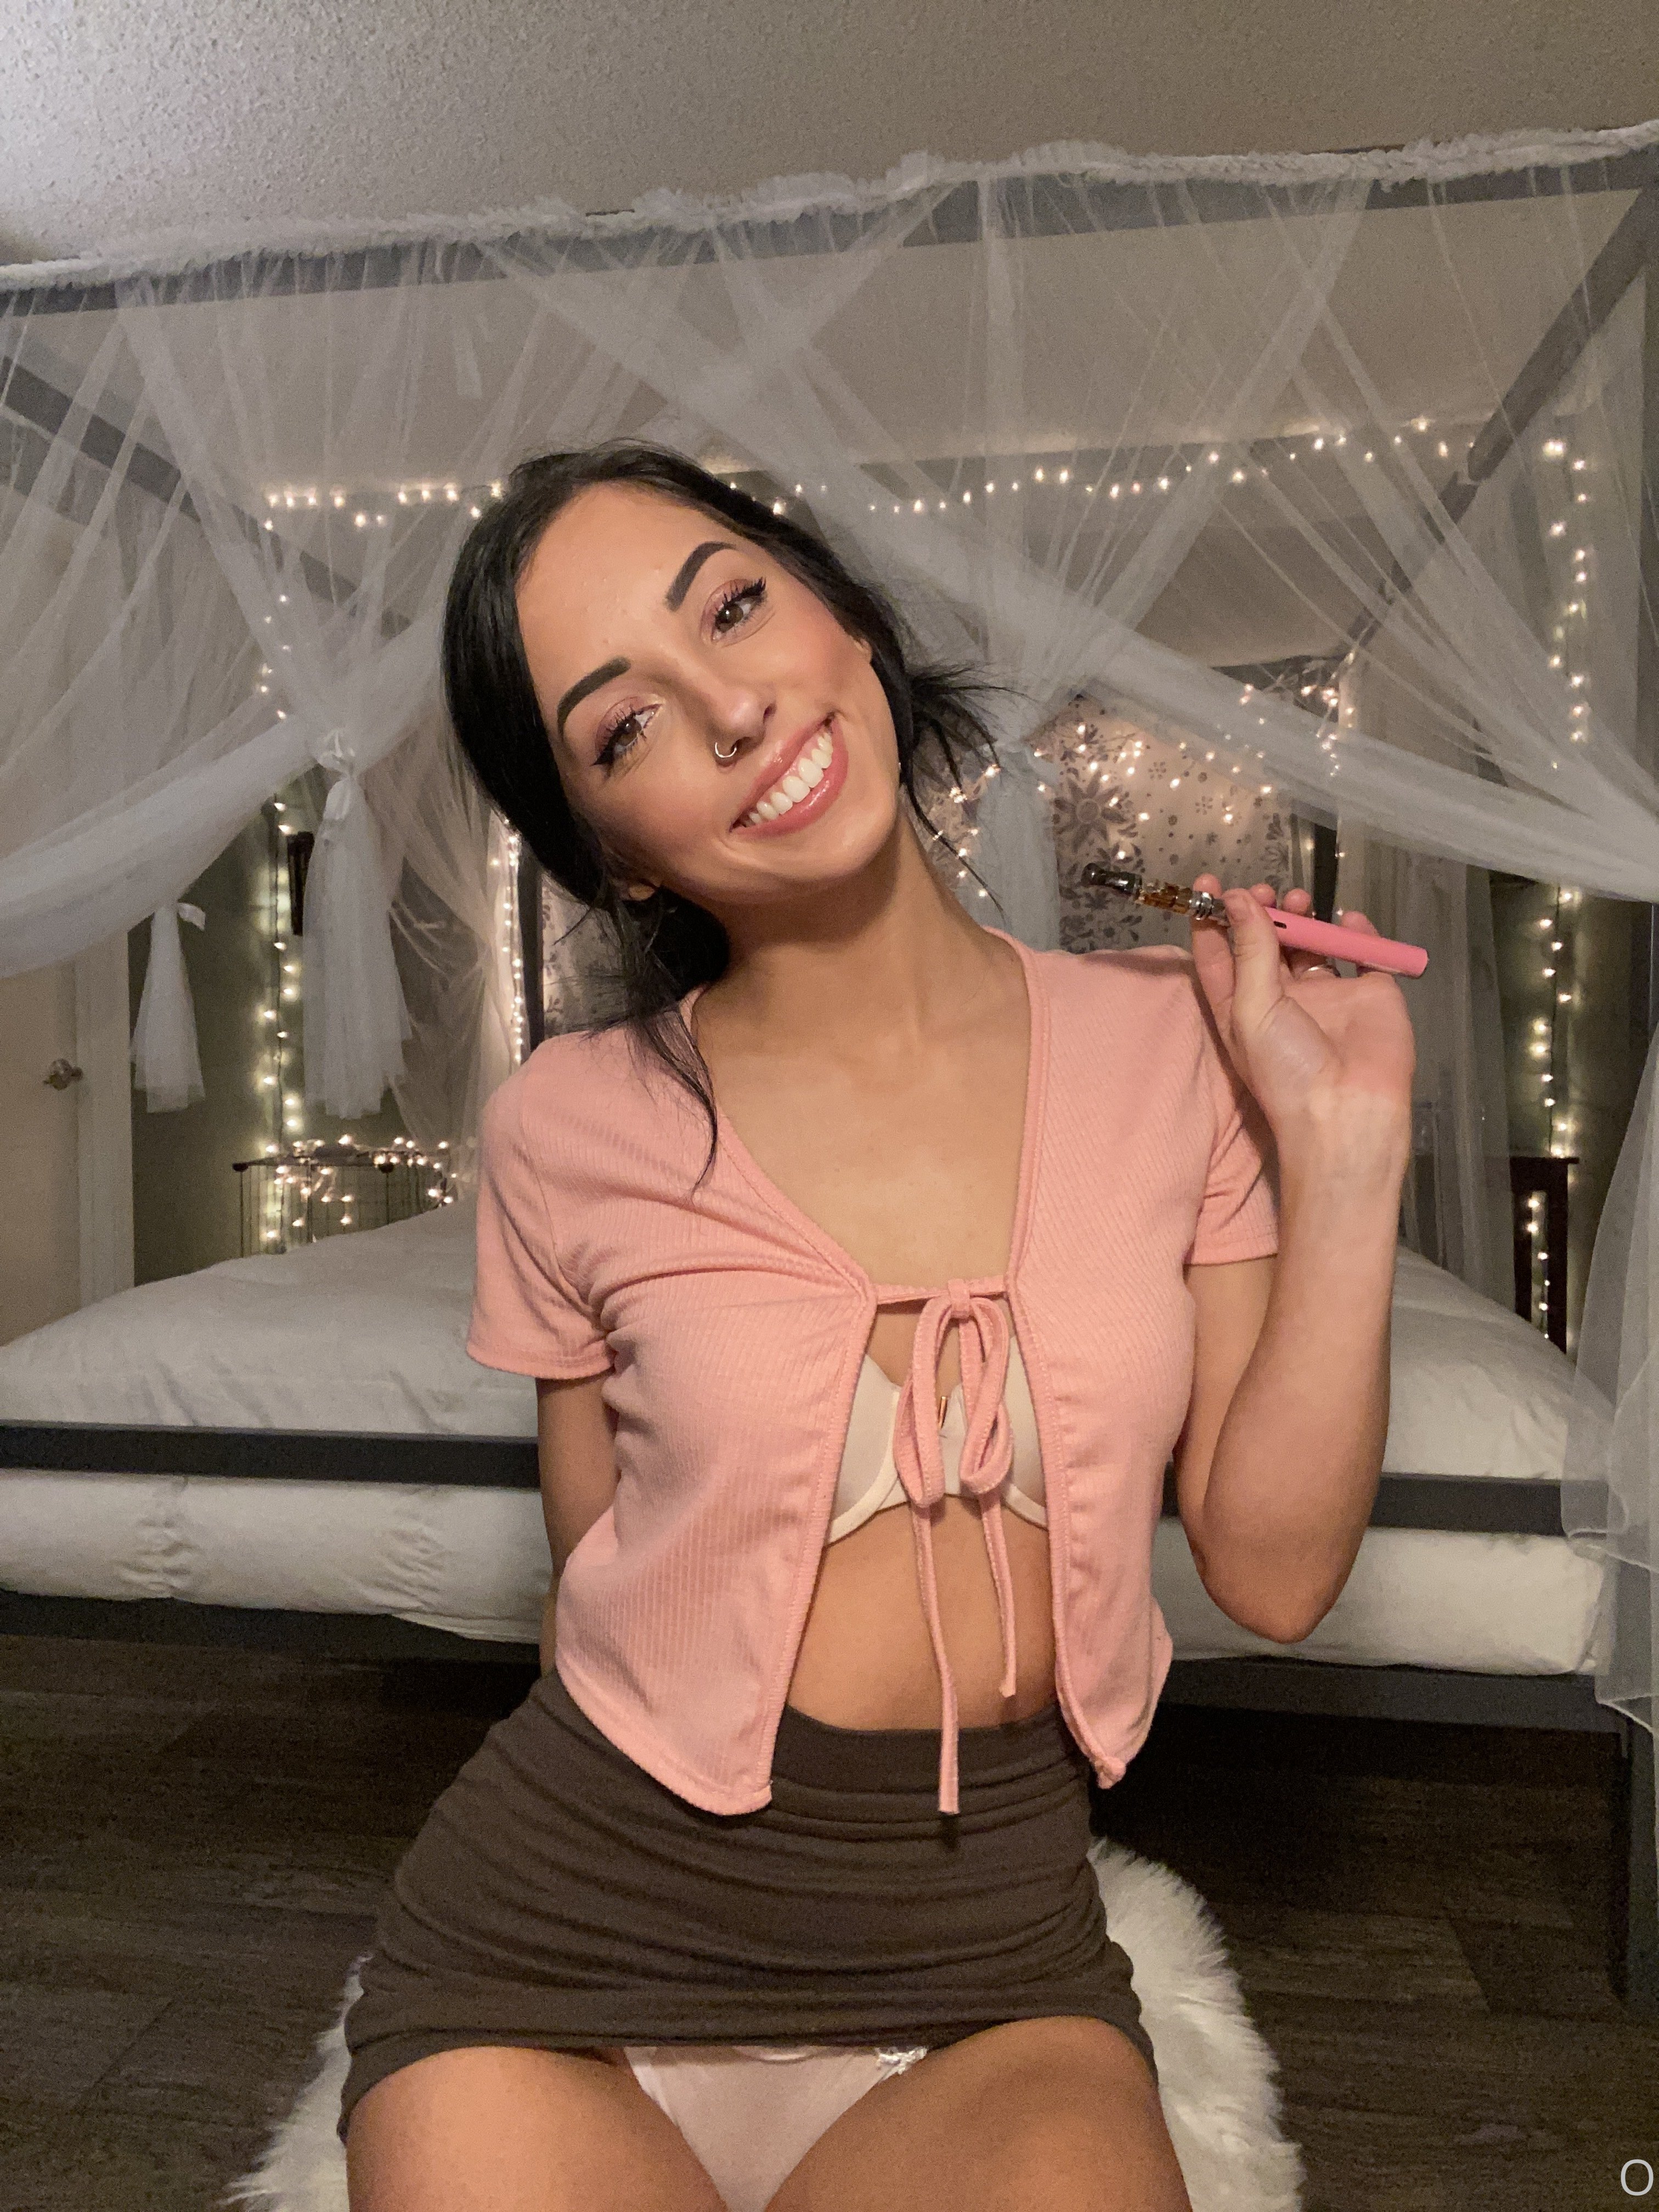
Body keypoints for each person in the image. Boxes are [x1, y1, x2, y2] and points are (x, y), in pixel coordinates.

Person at [340, 442, 1415, 2212]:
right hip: (562, 1943)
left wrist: (1352, 1154)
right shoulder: (568, 1125)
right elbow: (599, 1563)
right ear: (612, 858)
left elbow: (1278, 1576)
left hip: (984, 1961)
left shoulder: (1182, 1048)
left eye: (733, 609)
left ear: (847, 620)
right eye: (627, 726)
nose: (733, 711)